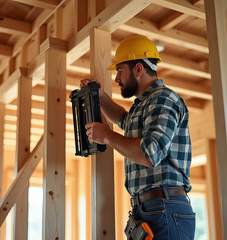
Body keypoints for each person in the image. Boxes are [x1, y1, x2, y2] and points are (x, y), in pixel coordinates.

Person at [80, 35, 195, 239]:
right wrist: (99, 96)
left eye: (120, 71)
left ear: (138, 69)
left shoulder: (163, 99)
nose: (116, 79)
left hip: (164, 208)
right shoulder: (144, 104)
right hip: (152, 208)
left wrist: (108, 136)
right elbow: (124, 120)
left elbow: (150, 154)